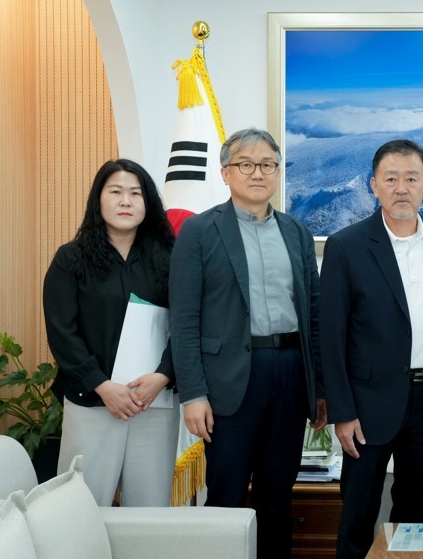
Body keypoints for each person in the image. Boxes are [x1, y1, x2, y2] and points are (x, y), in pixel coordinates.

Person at [321, 139, 423, 559]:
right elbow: (330, 336)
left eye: (411, 179)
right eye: (391, 179)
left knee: (416, 517)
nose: (401, 188)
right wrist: (342, 413)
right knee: (358, 516)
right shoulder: (347, 246)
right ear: (373, 185)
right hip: (367, 404)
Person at [170, 128, 327, 558]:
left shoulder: (296, 232)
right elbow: (183, 321)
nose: (257, 173)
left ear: (278, 173)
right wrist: (194, 394)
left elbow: (313, 314)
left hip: (291, 373)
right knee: (226, 492)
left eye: (268, 165)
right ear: (225, 172)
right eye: (246, 164)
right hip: (228, 382)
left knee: (278, 495)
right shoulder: (199, 232)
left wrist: (319, 389)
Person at [43, 159, 179, 506]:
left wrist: (163, 376)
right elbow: (62, 332)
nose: (125, 201)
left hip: (153, 402)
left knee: (149, 510)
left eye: (135, 193)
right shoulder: (70, 259)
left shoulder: (171, 259)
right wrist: (101, 385)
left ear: (147, 203)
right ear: (98, 200)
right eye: (115, 191)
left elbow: (186, 325)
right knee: (82, 508)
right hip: (92, 402)